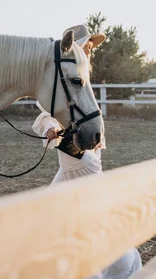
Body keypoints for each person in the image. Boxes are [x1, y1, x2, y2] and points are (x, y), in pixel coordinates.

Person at [32, 106, 142, 279]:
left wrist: (53, 130)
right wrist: (50, 128)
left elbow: (67, 140)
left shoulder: (87, 156)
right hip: (68, 179)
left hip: (83, 178)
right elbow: (47, 118)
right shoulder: (68, 113)